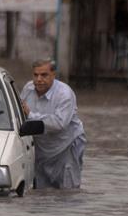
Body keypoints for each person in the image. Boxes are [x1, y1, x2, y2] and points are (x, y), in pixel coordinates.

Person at [20, 59, 86, 189]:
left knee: (67, 192)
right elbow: (19, 112)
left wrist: (31, 115)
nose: (39, 79)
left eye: (44, 75)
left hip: (65, 147)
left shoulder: (65, 94)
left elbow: (59, 123)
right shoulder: (28, 89)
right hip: (41, 150)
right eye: (35, 75)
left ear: (53, 75)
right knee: (42, 193)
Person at [112, 0, 128, 72]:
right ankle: (118, 68)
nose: (125, 7)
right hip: (121, 36)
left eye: (126, 5)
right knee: (119, 53)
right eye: (124, 5)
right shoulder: (118, 15)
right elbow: (117, 26)